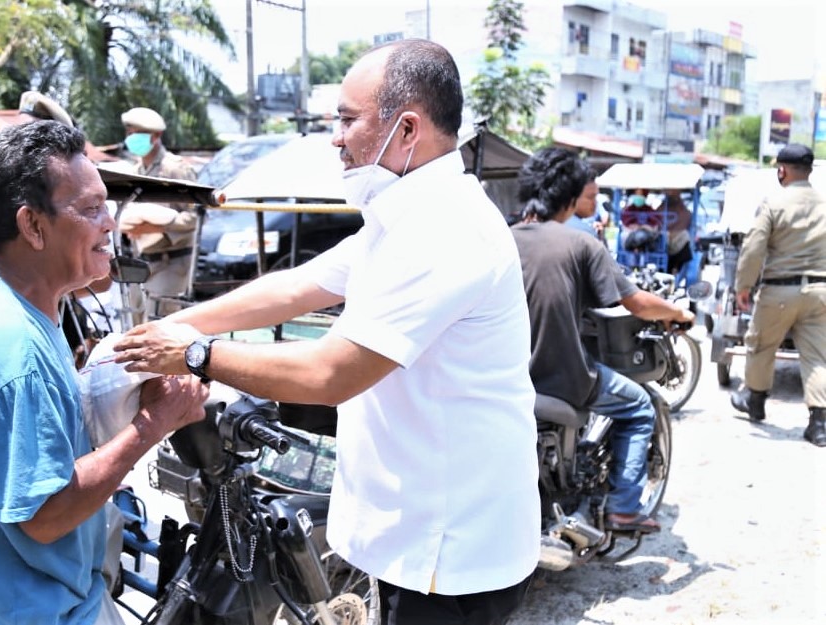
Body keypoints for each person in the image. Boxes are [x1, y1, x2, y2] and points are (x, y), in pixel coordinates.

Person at [114, 39, 539, 625]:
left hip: (448, 548)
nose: (336, 139)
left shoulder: (443, 227)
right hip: (422, 528)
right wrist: (176, 323)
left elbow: (331, 372)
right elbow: (298, 287)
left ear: (406, 129)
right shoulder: (406, 214)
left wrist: (193, 353)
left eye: (346, 120)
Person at [0, 120, 209, 625]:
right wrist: (154, 422)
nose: (109, 224)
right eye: (90, 209)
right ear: (32, 226)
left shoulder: (4, 306)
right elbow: (45, 516)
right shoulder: (11, 347)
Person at [510, 148, 695, 534]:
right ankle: (625, 508)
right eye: (590, 197)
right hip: (557, 377)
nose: (595, 205)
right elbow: (637, 303)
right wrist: (678, 313)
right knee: (639, 406)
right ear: (570, 197)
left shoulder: (500, 239)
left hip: (501, 375)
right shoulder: (581, 245)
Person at [730, 143, 826, 445]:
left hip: (779, 291)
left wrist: (743, 286)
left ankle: (755, 400)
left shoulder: (773, 203)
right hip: (820, 292)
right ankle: (819, 424)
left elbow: (754, 247)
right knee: (817, 356)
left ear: (782, 171)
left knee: (761, 345)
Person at [117, 107, 199, 310]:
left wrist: (156, 227)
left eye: (137, 134)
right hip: (141, 263)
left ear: (156, 136)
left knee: (161, 320)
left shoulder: (175, 169)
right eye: (129, 133)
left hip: (171, 264)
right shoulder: (135, 171)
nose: (131, 138)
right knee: (137, 320)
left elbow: (195, 217)